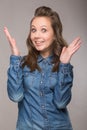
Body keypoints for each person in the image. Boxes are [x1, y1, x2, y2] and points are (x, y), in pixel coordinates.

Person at [4, 6, 81, 130]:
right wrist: (15, 57)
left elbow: (61, 103)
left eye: (43, 30)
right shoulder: (22, 63)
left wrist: (64, 65)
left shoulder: (62, 65)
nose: (36, 35)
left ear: (55, 35)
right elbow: (15, 96)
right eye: (33, 30)